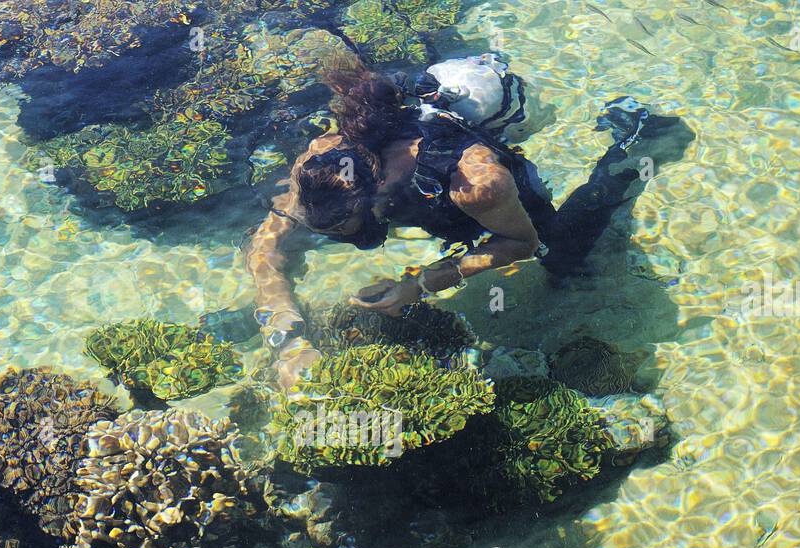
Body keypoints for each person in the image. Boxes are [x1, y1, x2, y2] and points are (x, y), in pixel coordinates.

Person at [243, 58, 692, 387]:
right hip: (418, 197)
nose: (338, 239)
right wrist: (287, 335)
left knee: (561, 258)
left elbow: (520, 243)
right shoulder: (322, 165)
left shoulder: (476, 183)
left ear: (375, 194)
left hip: (496, 198)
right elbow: (266, 248)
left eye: (345, 230)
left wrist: (421, 285)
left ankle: (635, 143)